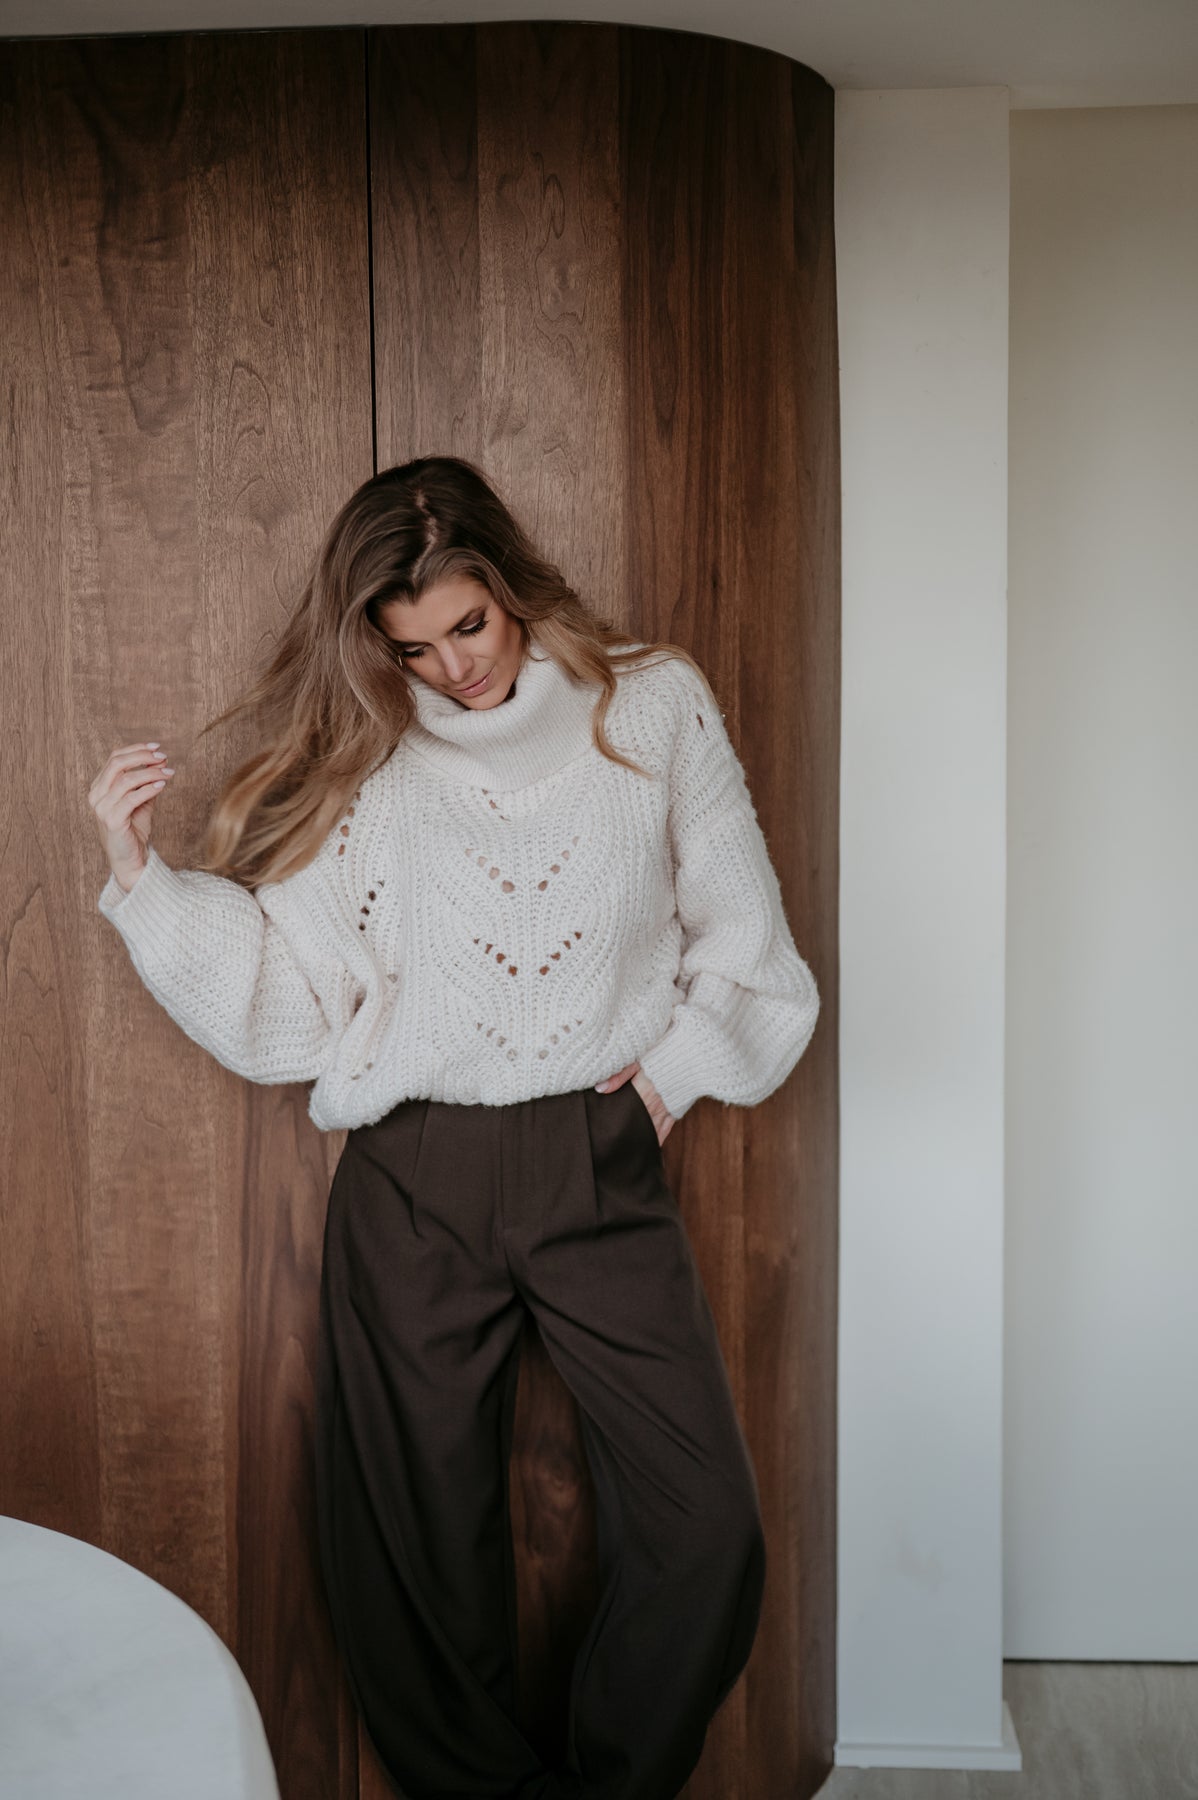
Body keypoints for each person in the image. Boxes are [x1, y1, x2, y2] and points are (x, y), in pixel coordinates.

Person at [88, 455, 821, 1800]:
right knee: (413, 1558)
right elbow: (292, 998)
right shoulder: (369, 753)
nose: (453, 669)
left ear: (512, 582)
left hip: (598, 1157)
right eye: (412, 647)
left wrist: (667, 1082)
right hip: (413, 1174)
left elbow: (748, 941)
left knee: (706, 1528)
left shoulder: (651, 702)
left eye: (468, 626)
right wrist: (141, 880)